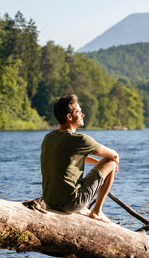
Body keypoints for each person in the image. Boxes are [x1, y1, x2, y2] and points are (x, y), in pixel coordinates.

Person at [40, 94, 119, 223]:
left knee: (107, 163)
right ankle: (97, 211)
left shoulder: (49, 138)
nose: (83, 115)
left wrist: (99, 164)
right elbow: (114, 156)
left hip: (50, 202)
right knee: (111, 163)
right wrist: (111, 167)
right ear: (69, 117)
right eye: (79, 112)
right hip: (70, 204)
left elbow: (74, 156)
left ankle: (81, 208)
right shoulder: (80, 140)